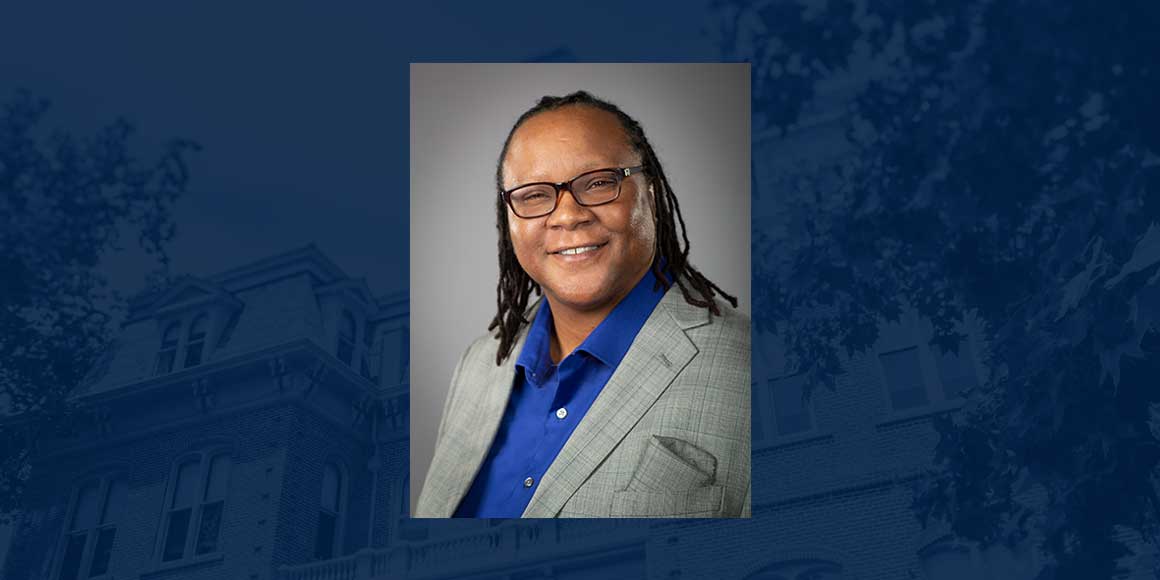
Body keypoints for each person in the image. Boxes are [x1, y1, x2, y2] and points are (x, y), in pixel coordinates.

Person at [416, 91, 750, 518]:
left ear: (650, 191)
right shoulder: (478, 366)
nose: (568, 215)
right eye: (535, 195)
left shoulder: (747, 368)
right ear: (508, 220)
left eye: (598, 183)